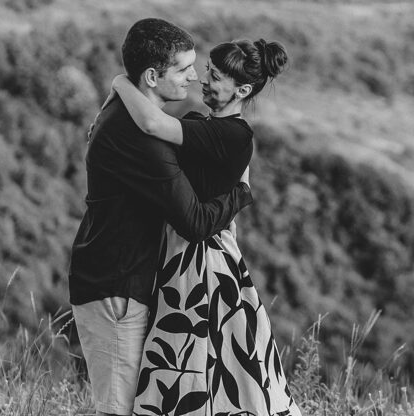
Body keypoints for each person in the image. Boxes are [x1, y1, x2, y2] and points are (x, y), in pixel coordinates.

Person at [69, 19, 253, 416]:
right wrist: (240, 193)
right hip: (116, 288)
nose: (194, 77)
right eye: (184, 69)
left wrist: (120, 83)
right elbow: (195, 223)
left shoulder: (128, 115)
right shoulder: (141, 140)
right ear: (152, 77)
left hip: (120, 279)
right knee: (117, 409)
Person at [108, 38, 302, 415]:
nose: (203, 80)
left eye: (215, 76)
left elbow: (152, 123)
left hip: (198, 265)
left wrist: (120, 83)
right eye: (208, 71)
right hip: (186, 254)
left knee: (187, 368)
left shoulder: (232, 135)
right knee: (204, 368)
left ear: (241, 91)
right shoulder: (208, 126)